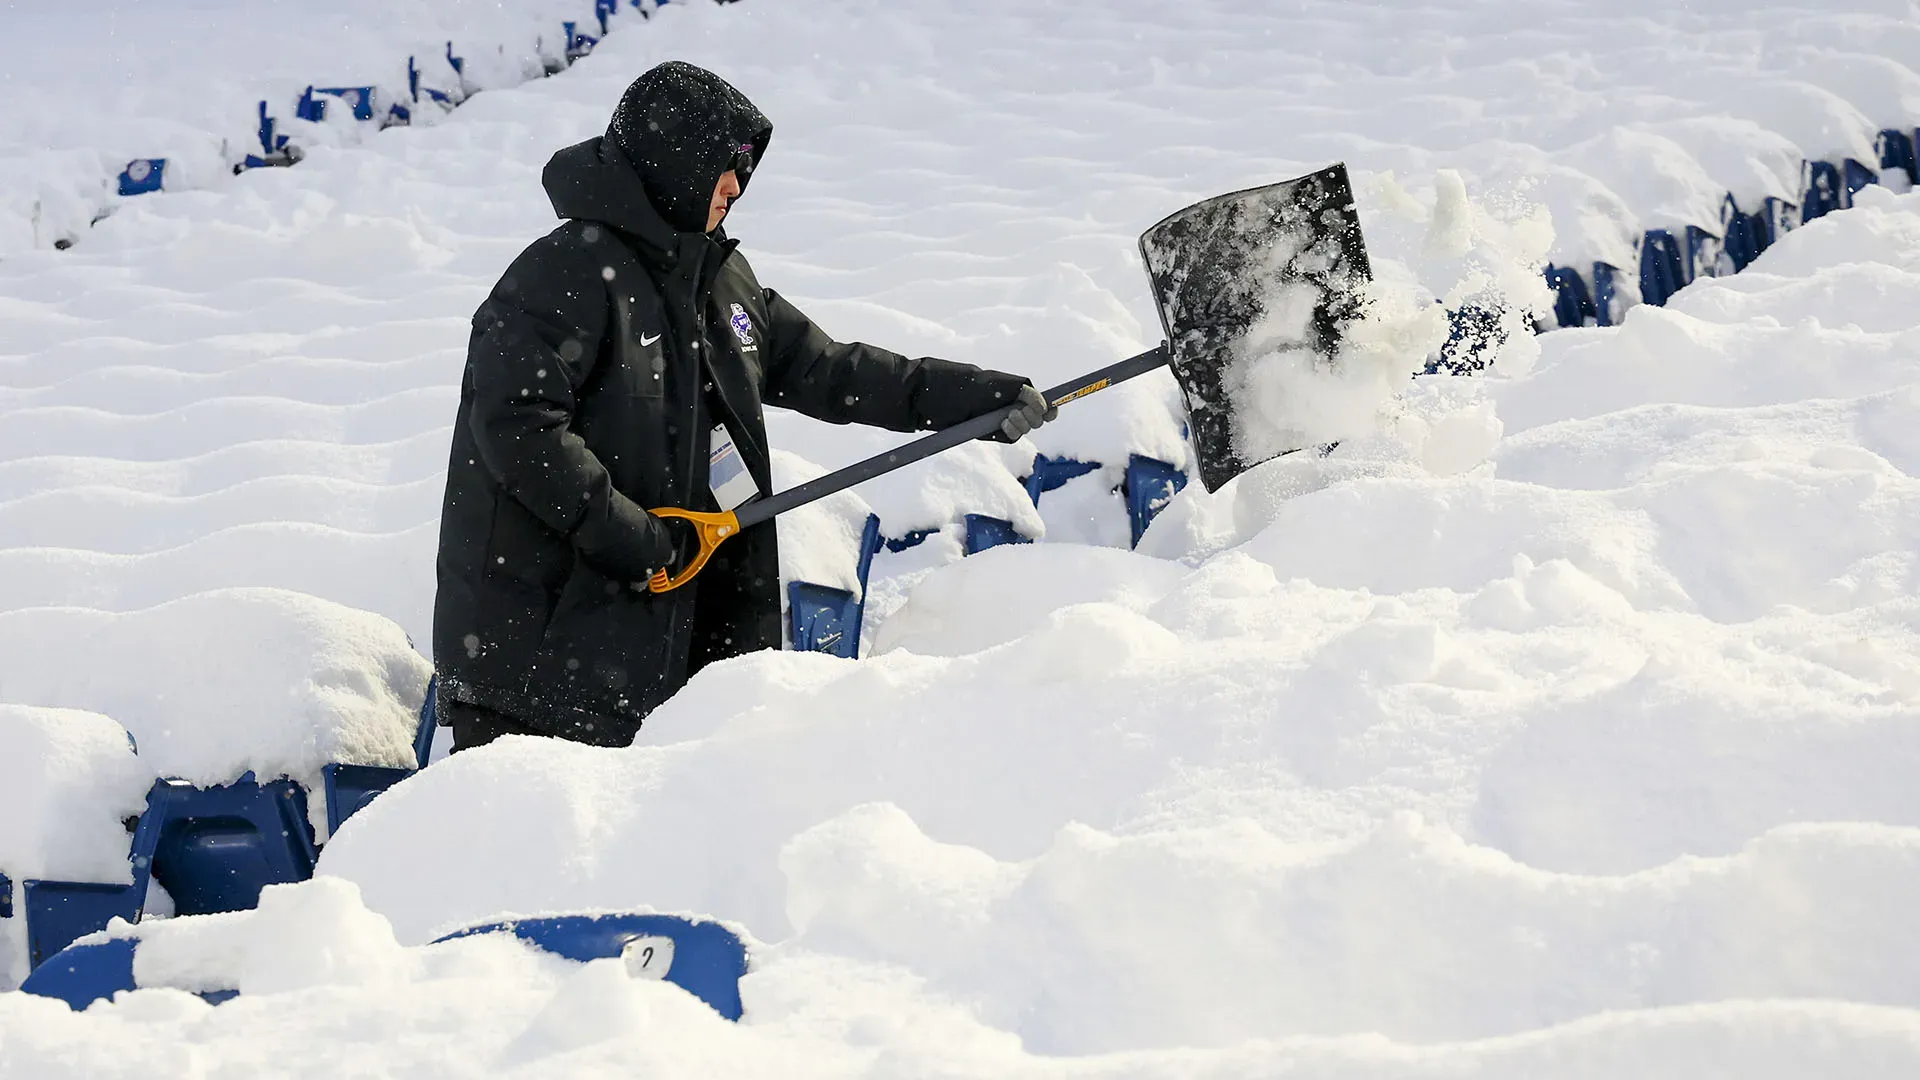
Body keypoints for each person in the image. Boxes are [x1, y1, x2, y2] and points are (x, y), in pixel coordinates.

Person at [431, 61, 1053, 751]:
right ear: (673, 163)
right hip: (540, 678)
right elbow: (519, 429)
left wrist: (975, 398)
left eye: (743, 167)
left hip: (665, 666)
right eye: (721, 165)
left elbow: (831, 368)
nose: (735, 184)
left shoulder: (718, 280)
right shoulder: (563, 274)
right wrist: (638, 542)